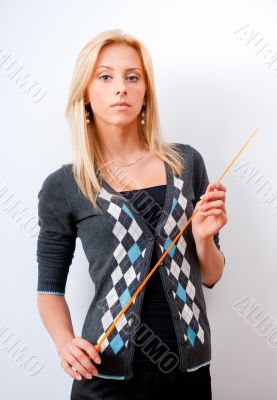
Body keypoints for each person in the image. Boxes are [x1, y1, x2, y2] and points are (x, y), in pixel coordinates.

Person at [36, 29, 227, 400]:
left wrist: (203, 238)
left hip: (188, 373)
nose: (120, 87)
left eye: (132, 77)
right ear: (86, 94)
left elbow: (212, 275)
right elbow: (48, 289)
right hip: (104, 374)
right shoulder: (65, 185)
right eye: (105, 76)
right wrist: (65, 344)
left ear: (145, 93)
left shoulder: (187, 163)